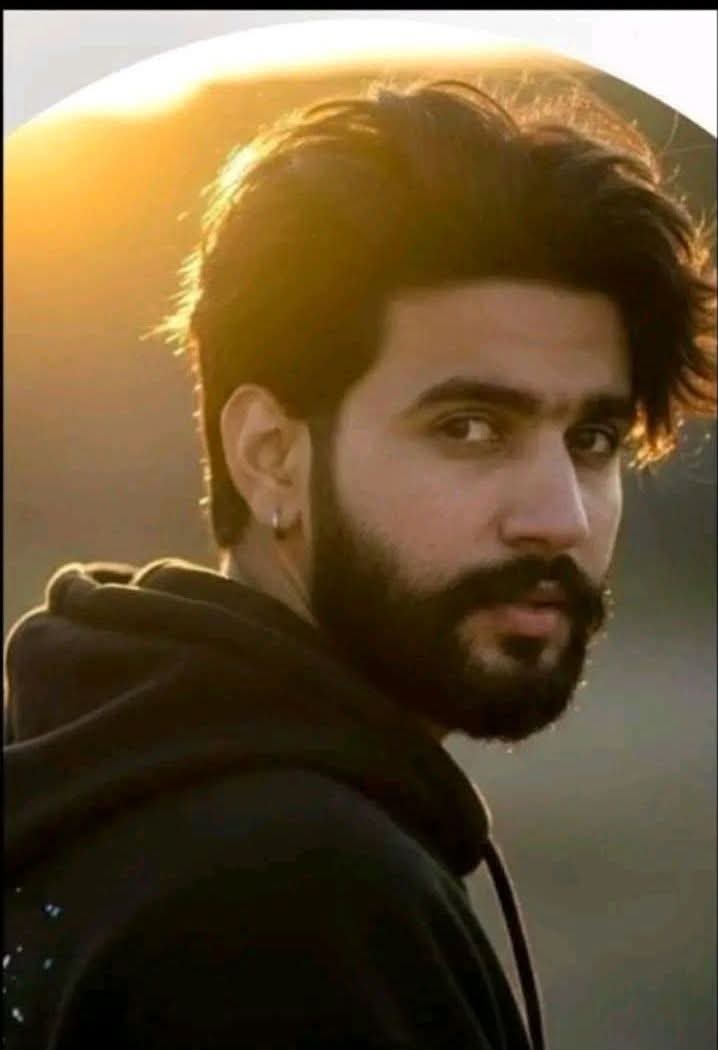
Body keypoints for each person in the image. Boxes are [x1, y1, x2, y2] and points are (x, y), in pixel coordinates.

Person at [4, 78, 715, 1050]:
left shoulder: (92, 773)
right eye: (469, 427)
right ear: (270, 457)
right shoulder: (298, 900)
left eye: (592, 439)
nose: (559, 518)